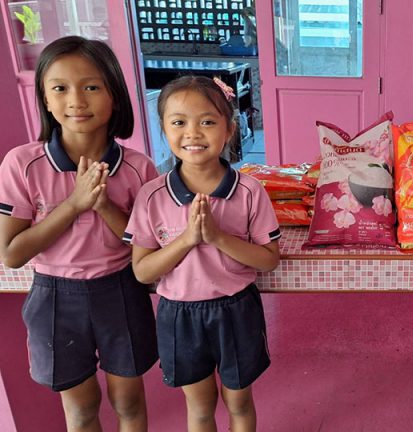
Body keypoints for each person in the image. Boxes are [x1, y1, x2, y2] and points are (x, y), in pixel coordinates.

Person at [0, 36, 159, 431]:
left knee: (128, 401)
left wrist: (104, 205)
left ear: (115, 95)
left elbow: (148, 248)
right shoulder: (22, 164)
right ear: (45, 99)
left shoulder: (138, 168)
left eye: (91, 87)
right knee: (82, 407)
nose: (76, 100)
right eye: (60, 88)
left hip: (121, 291)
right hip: (55, 297)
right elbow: (11, 253)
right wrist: (74, 204)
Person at [124, 75, 281, 431]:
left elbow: (269, 258)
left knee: (239, 401)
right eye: (179, 122)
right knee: (199, 406)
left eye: (207, 121)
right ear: (164, 130)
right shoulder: (152, 196)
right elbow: (142, 271)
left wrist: (217, 237)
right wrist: (188, 239)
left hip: (236, 309)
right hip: (179, 314)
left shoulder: (250, 191)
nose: (192, 133)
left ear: (229, 129)